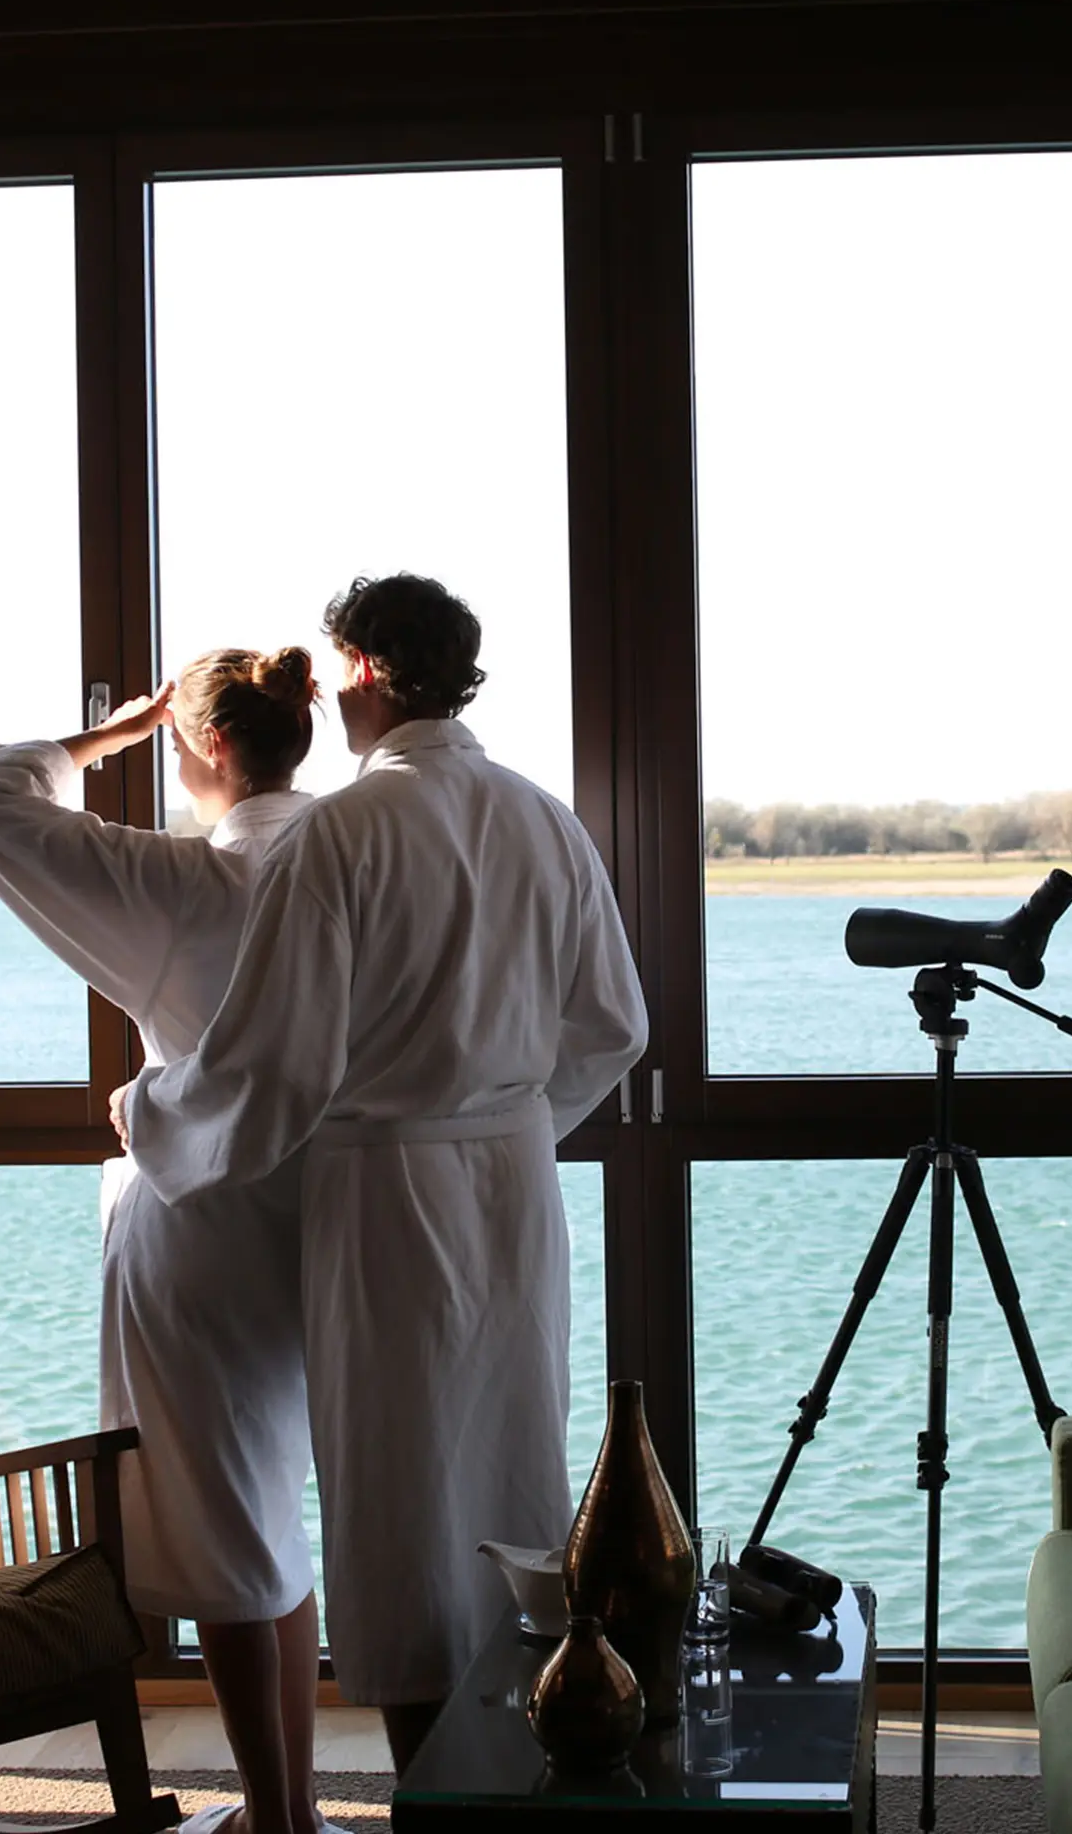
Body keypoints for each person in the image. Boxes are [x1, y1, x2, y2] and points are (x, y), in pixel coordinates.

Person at [113, 573, 649, 1769]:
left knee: (399, 1498)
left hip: (383, 1196)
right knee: (510, 1462)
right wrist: (506, 1121)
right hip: (514, 1187)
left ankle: (434, 1783)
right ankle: (533, 1747)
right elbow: (614, 1026)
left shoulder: (342, 832)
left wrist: (149, 1109)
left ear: (360, 667)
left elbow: (273, 1061)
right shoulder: (544, 819)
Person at [0, 649, 344, 1834]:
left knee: (224, 1525)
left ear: (207, 743)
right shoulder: (354, 862)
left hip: (202, 1223)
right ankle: (291, 1808)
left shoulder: (189, 882)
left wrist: (101, 737)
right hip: (334, 1217)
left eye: (172, 743)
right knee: (274, 1517)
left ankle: (275, 1815)